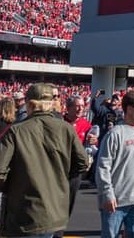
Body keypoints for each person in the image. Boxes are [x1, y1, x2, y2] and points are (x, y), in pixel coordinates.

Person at [0, 83, 89, 238]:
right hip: (54, 211)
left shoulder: (17, 131)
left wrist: (11, 187)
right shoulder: (66, 129)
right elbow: (82, 163)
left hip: (24, 212)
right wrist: (60, 181)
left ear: (29, 104)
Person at [96, 90, 134, 238]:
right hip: (116, 201)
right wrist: (108, 194)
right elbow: (103, 166)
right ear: (129, 108)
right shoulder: (115, 134)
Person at [55, 95, 95, 237]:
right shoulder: (58, 121)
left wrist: (94, 141)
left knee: (69, 202)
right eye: (77, 106)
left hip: (75, 171)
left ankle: (59, 230)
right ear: (69, 107)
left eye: (82, 106)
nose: (80, 109)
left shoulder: (86, 125)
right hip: (58, 169)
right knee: (54, 201)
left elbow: (92, 146)